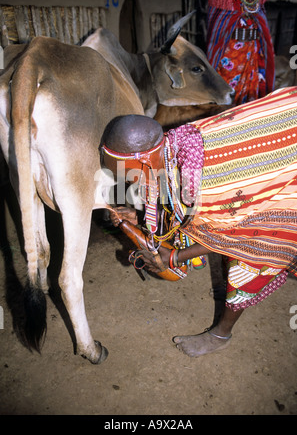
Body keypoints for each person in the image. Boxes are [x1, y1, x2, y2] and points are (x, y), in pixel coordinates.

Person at [101, 86, 297, 357]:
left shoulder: (214, 186)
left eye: (126, 174)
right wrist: (138, 217)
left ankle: (221, 334)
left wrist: (174, 257)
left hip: (287, 165)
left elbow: (230, 234)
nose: (126, 181)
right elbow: (180, 206)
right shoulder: (176, 144)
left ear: (145, 161)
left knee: (252, 255)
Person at [207, 0, 275, 105]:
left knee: (251, 97)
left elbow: (262, 25)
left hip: (252, 53)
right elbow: (216, 32)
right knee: (226, 97)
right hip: (229, 55)